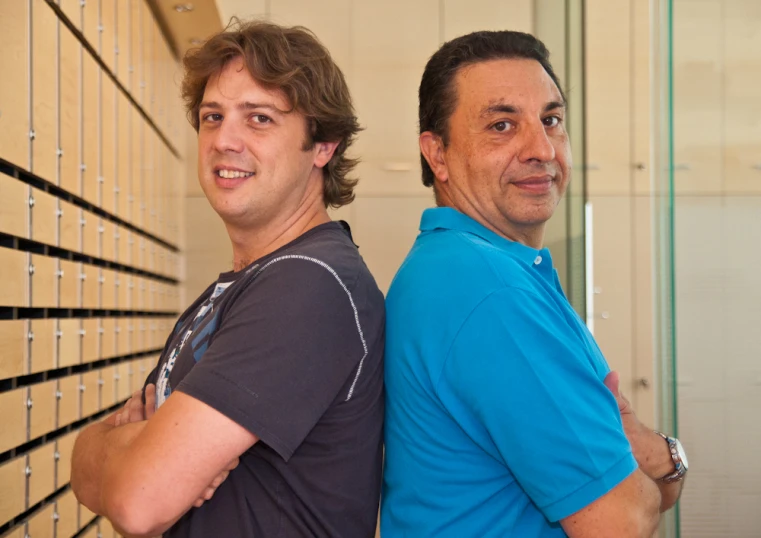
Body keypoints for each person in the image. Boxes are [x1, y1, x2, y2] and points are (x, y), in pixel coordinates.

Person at [70, 20, 385, 538]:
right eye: (212, 117)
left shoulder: (310, 286)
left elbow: (137, 503)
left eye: (258, 119)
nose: (224, 140)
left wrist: (111, 450)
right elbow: (125, 487)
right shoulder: (244, 286)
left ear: (322, 145)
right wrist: (108, 450)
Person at [381, 30, 687, 538]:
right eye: (502, 125)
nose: (541, 148)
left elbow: (646, 488)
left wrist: (659, 458)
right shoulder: (485, 289)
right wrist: (656, 463)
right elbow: (624, 521)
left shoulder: (484, 268)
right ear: (437, 156)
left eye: (551, 120)